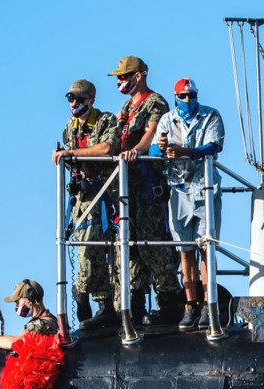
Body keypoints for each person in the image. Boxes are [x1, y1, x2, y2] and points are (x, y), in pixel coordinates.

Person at [107, 55, 184, 327]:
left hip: (147, 185)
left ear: (138, 76)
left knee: (154, 244)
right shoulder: (128, 107)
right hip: (128, 189)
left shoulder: (154, 102)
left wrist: (135, 152)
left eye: (124, 77)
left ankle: (170, 302)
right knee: (132, 249)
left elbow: (152, 134)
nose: (120, 82)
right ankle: (134, 305)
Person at [155, 77, 224, 330]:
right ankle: (191, 303)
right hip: (179, 189)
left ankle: (209, 302)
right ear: (175, 97)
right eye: (183, 96)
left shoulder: (210, 116)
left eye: (191, 96)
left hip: (204, 187)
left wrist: (186, 152)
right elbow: (153, 150)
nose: (187, 100)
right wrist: (162, 148)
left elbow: (214, 147)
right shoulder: (167, 120)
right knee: (185, 249)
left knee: (206, 247)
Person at [51, 79, 121, 330]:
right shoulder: (70, 128)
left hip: (104, 194)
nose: (74, 103)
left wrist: (71, 155)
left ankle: (92, 298)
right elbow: (74, 158)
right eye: (71, 99)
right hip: (82, 199)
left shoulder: (105, 121)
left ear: (91, 100)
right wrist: (64, 160)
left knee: (96, 252)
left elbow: (107, 148)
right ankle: (95, 302)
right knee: (86, 252)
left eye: (80, 99)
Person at [0, 279, 60, 352]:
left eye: (17, 302)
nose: (16, 307)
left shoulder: (42, 324)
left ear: (30, 299)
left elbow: (13, 343)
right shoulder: (51, 320)